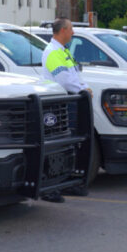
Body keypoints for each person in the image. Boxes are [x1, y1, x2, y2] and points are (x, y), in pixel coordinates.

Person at [38, 18, 92, 193]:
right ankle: (54, 186)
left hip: (70, 100)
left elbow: (75, 75)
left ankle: (67, 181)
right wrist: (83, 90)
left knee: (71, 142)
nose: (73, 32)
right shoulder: (53, 52)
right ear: (63, 31)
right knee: (61, 143)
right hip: (60, 103)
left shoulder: (62, 51)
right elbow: (64, 80)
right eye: (71, 29)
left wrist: (83, 88)